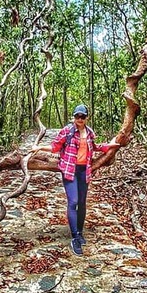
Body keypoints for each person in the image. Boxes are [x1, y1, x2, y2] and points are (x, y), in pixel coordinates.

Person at [31, 104, 120, 256]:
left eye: (83, 116)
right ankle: (74, 237)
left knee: (82, 203)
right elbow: (55, 147)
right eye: (77, 116)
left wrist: (110, 146)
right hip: (69, 171)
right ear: (74, 117)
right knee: (73, 202)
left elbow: (95, 147)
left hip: (83, 171)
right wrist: (39, 148)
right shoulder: (67, 131)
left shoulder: (90, 132)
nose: (80, 119)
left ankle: (79, 232)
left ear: (86, 118)